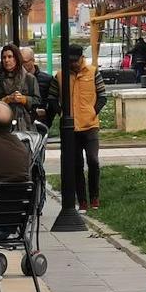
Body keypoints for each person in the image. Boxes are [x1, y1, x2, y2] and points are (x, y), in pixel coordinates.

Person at [47, 45, 106, 210]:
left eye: (75, 60)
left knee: (93, 161)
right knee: (76, 165)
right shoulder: (60, 76)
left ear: (81, 58)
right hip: (70, 128)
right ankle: (83, 201)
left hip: (90, 125)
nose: (72, 64)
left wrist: (93, 111)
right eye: (70, 61)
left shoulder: (93, 72)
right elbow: (52, 98)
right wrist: (61, 113)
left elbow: (102, 95)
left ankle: (94, 196)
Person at [0, 44, 41, 131]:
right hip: (3, 124)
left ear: (16, 58)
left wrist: (23, 99)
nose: (6, 60)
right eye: (4, 57)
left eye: (10, 57)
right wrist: (6, 100)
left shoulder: (29, 79)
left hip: (26, 125)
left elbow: (37, 100)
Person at [19, 46, 54, 124]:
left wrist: (46, 116)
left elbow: (52, 104)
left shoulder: (47, 79)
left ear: (33, 61)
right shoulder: (17, 79)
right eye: (20, 62)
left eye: (25, 62)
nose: (22, 65)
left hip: (40, 121)